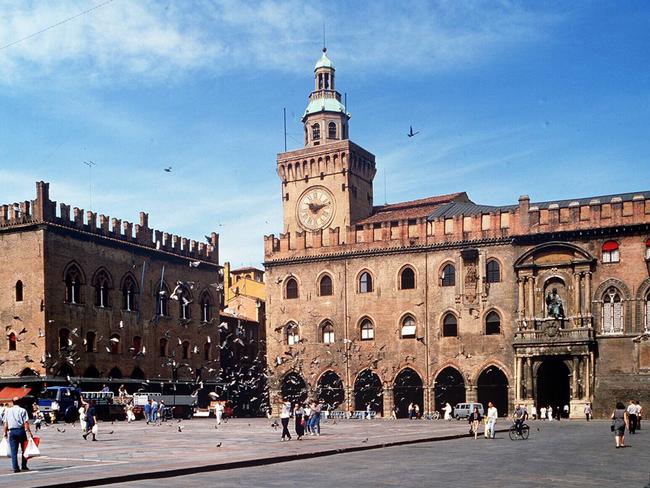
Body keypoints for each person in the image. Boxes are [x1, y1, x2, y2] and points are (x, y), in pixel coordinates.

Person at [2, 397, 34, 473]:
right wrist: (29, 433)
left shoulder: (7, 411)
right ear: (20, 402)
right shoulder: (23, 410)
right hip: (20, 431)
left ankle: (15, 468)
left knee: (14, 451)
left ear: (12, 402)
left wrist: (5, 433)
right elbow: (26, 423)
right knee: (24, 450)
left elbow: (5, 423)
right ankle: (24, 466)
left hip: (12, 432)